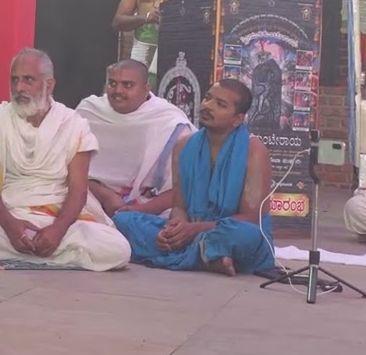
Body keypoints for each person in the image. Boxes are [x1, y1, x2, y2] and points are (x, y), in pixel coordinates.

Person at [0, 49, 131, 271]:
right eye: (14, 80)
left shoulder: (73, 125)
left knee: (118, 249)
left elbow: (78, 190)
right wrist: (9, 225)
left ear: (49, 85)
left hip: (60, 220)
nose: (19, 88)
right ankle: (56, 255)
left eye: (28, 80)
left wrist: (57, 230)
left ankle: (23, 251)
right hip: (10, 216)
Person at [112, 79, 276, 276]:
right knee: (123, 221)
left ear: (237, 119)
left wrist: (194, 230)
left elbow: (251, 219)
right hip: (192, 231)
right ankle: (209, 256)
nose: (208, 106)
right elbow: (179, 207)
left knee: (244, 234)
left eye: (220, 105)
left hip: (229, 232)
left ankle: (203, 252)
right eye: (208, 98)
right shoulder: (183, 145)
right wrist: (174, 229)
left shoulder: (254, 151)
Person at [76, 59, 195, 217]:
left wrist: (139, 211)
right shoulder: (89, 111)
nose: (118, 91)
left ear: (146, 88)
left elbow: (183, 187)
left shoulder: (170, 123)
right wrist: (105, 195)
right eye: (112, 83)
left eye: (128, 85)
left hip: (147, 206)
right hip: (89, 195)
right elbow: (67, 167)